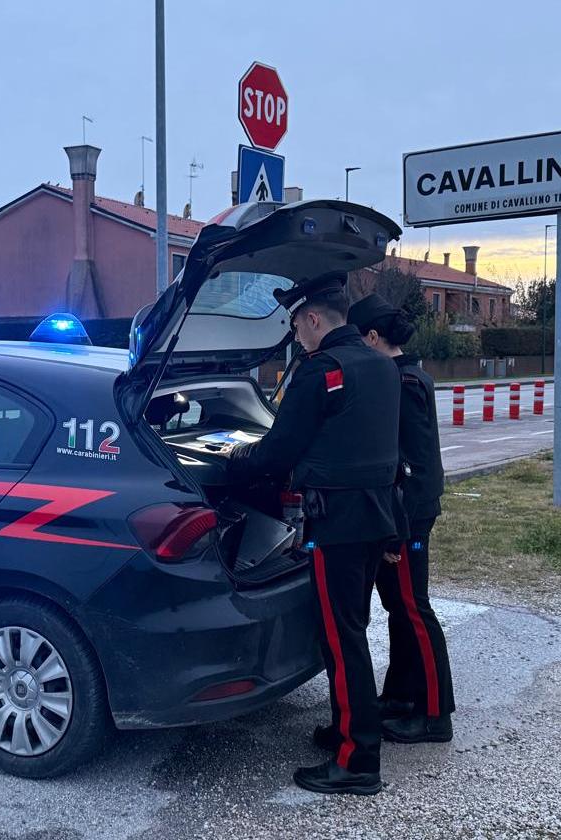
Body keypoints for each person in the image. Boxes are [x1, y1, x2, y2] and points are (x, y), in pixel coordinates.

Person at [226, 273, 400, 796]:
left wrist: (234, 459)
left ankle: (357, 761)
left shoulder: (321, 371)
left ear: (313, 318)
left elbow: (279, 451)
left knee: (341, 637)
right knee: (352, 629)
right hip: (377, 518)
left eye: (297, 323)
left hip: (338, 523)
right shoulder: (382, 365)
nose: (297, 335)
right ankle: (349, 731)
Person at [346, 294, 455, 744]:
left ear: (373, 337)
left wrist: (399, 527)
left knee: (413, 608)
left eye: (357, 341)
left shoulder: (402, 383)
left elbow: (410, 462)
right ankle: (399, 695)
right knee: (398, 607)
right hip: (407, 510)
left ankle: (434, 714)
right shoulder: (410, 374)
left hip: (408, 515)